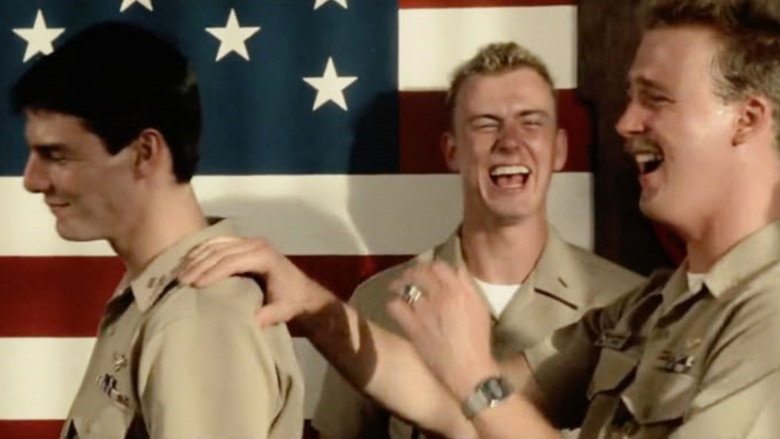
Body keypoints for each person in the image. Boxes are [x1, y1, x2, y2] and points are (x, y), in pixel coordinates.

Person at [179, 0, 780, 437]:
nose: (625, 123)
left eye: (657, 98)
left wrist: (471, 372)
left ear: (747, 119)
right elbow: (455, 413)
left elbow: (475, 395)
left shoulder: (769, 310)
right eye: (630, 97)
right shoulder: (651, 309)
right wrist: (314, 306)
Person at [181, 41, 643, 439]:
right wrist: (310, 302)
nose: (509, 142)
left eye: (531, 122)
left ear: (559, 149)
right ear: (450, 151)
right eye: (486, 124)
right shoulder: (383, 303)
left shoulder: (624, 309)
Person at [12, 22, 303, 439]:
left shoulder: (199, 319)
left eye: (57, 155)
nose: (32, 180)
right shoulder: (158, 299)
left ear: (144, 152)